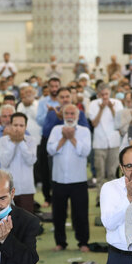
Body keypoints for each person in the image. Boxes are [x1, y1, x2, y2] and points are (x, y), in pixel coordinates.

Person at [47, 104, 91, 252]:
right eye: (67, 113)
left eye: (73, 113)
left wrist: (72, 138)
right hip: (59, 179)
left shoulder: (84, 131)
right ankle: (60, 243)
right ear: (63, 115)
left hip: (78, 179)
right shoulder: (55, 130)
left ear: (78, 116)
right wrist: (63, 139)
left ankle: (83, 243)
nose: (70, 116)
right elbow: (50, 150)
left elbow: (85, 151)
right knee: (58, 214)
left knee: (80, 214)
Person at [0, 112, 37, 213]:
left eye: (21, 125)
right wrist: (13, 143)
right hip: (7, 189)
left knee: (27, 223)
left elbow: (31, 161)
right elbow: (4, 162)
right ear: (10, 125)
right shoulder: (3, 141)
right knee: (7, 222)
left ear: (26, 127)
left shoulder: (31, 141)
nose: (18, 128)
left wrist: (21, 142)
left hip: (26, 188)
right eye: (15, 125)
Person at [88, 83, 123, 192]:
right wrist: (101, 109)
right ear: (98, 94)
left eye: (106, 94)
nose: (105, 97)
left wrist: (112, 109)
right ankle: (99, 197)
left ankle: (112, 196)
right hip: (99, 143)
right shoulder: (93, 104)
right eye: (102, 94)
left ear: (110, 93)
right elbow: (94, 123)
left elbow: (119, 123)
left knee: (112, 173)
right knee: (100, 173)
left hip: (114, 142)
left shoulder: (117, 103)